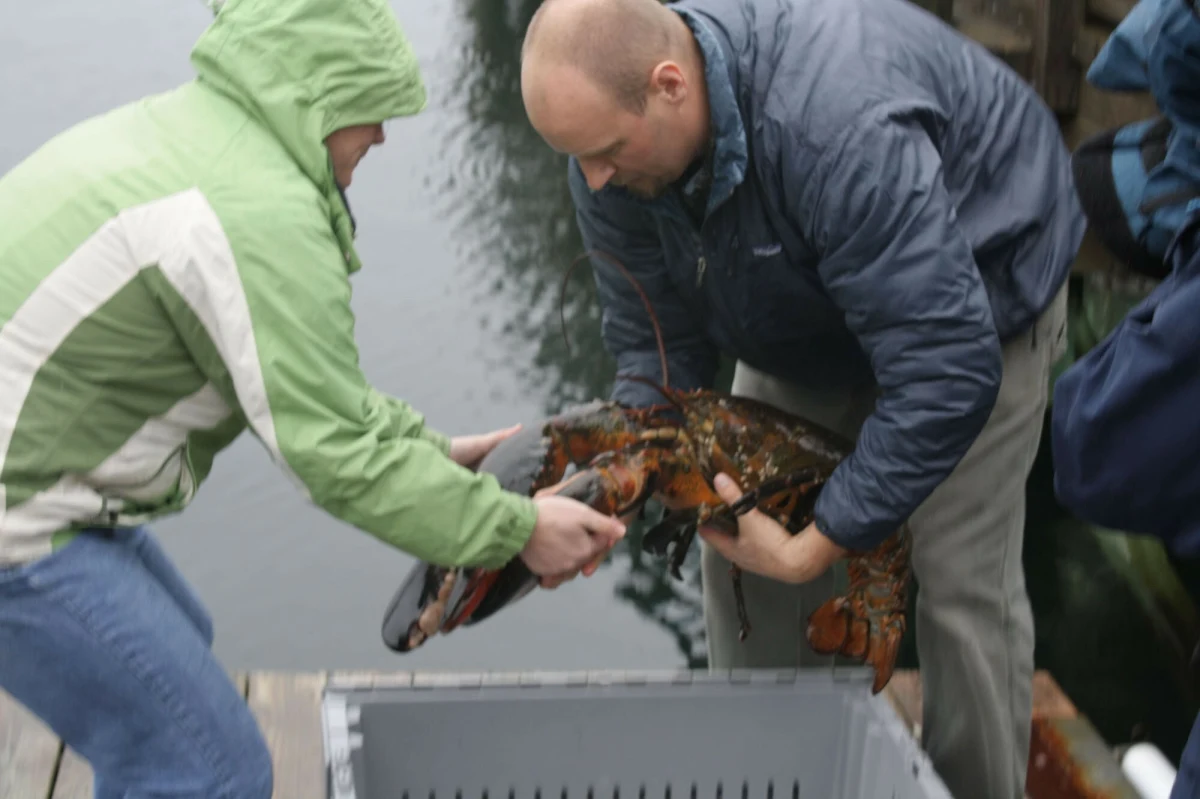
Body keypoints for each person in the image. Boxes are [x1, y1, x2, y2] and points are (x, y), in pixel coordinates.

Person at [0, 0, 625, 795]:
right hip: (20, 522)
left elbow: (311, 394)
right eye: (370, 108)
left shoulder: (203, 139)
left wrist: (435, 455)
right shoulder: (257, 214)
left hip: (41, 487)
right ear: (318, 95)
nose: (383, 134)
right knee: (206, 765)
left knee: (176, 656)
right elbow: (332, 455)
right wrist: (517, 528)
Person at [520, 0, 1085, 796]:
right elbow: (656, 353)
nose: (594, 180)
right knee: (728, 538)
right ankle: (768, 778)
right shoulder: (604, 153)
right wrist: (619, 488)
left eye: (606, 152)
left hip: (976, 305)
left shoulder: (839, 132)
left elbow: (946, 372)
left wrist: (816, 543)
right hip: (804, 299)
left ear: (670, 84)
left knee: (960, 585)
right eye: (576, 158)